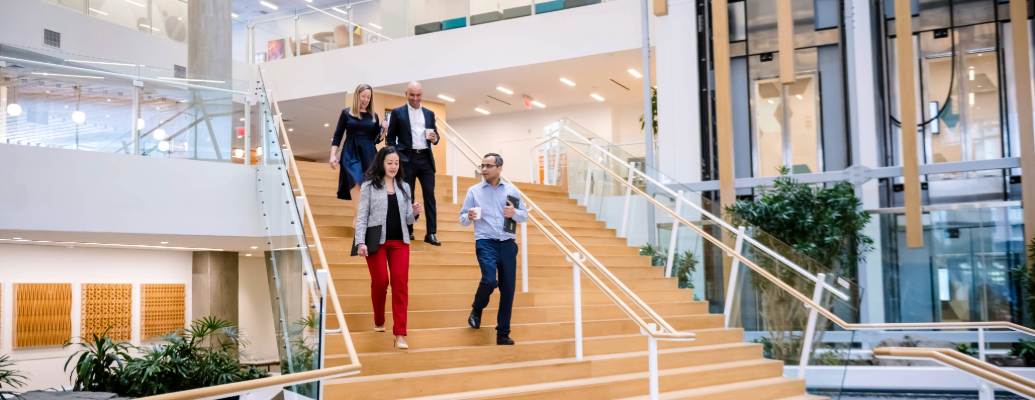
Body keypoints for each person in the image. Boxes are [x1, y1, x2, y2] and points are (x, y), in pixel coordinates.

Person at [355, 146, 422, 350]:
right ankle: (378, 319)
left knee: (400, 285)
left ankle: (400, 334)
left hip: (400, 242)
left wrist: (415, 213)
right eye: (389, 162)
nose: (393, 166)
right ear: (381, 163)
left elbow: (408, 219)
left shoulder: (404, 187)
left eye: (396, 163)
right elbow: (362, 216)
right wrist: (360, 241)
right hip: (376, 241)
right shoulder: (368, 186)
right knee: (381, 281)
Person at [459, 153, 528, 345]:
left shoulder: (511, 190)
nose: (484, 169)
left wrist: (515, 213)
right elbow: (462, 219)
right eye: (482, 166)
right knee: (489, 280)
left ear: (499, 169)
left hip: (507, 243)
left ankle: (503, 334)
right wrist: (469, 216)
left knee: (508, 290)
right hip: (485, 242)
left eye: (489, 166)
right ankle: (477, 308)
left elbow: (524, 215)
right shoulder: (474, 191)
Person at [386, 81, 441, 246]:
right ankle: (408, 230)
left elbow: (435, 136)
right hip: (406, 160)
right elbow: (390, 138)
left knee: (429, 196)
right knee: (407, 196)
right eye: (412, 95)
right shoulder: (397, 112)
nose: (415, 98)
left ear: (422, 95)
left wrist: (435, 138)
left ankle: (431, 233)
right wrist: (395, 156)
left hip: (425, 159)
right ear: (406, 94)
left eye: (418, 95)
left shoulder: (429, 114)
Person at [330, 84, 388, 212]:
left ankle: (361, 220)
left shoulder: (374, 116)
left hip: (369, 152)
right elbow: (338, 135)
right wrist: (333, 155)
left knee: (368, 185)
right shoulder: (346, 113)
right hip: (350, 152)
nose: (366, 100)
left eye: (368, 97)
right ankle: (358, 218)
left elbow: (376, 139)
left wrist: (384, 131)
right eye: (363, 96)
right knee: (356, 181)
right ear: (357, 96)